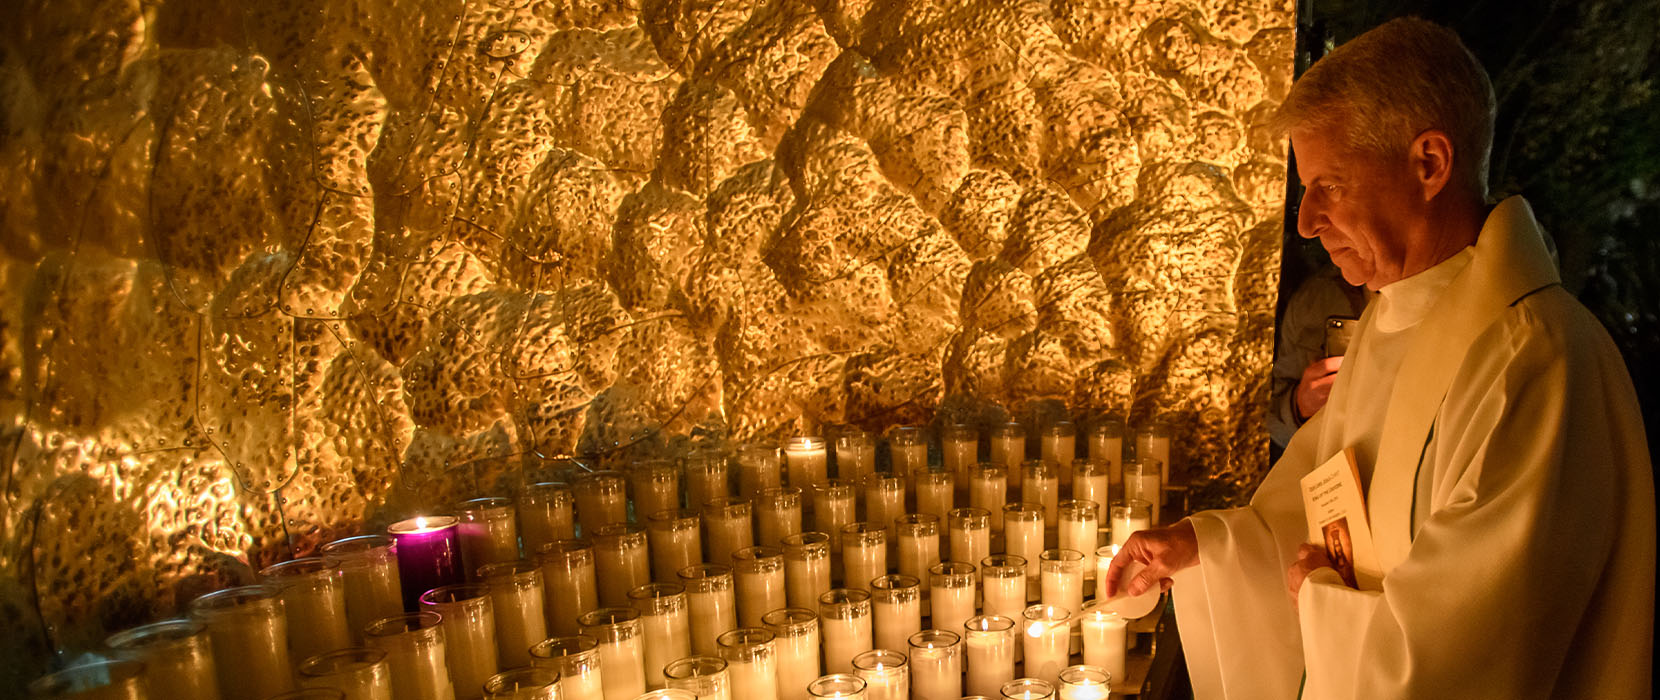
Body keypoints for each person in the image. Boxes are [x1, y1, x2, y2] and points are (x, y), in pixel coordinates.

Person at [1106, 17, 1654, 699]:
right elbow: (1319, 509)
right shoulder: (1385, 323)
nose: (1307, 222)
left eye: (1329, 186)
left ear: (1429, 164)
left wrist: (1322, 603)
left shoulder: (1533, 361)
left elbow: (1473, 655)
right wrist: (1205, 547)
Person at [1268, 259, 1369, 449]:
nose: (1309, 229)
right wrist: (1299, 406)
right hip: (1334, 464)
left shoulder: (1427, 295)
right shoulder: (1316, 297)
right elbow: (1274, 425)